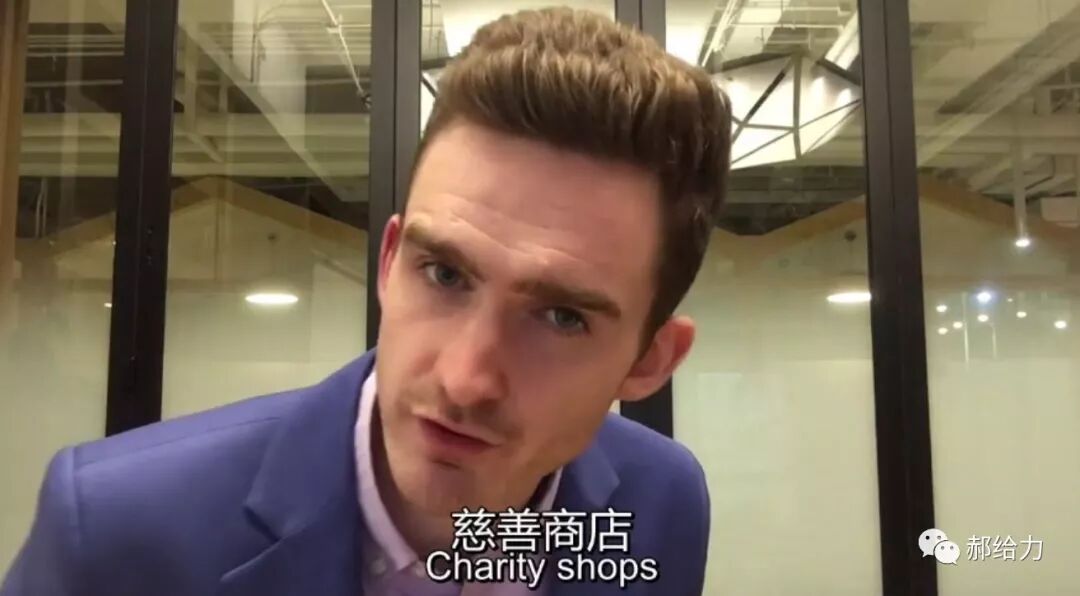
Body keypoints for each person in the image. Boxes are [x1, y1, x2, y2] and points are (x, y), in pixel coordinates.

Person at [2, 7, 730, 596]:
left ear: (650, 360)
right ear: (388, 263)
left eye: (562, 317)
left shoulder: (658, 503)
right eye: (444, 274)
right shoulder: (115, 532)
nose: (465, 381)